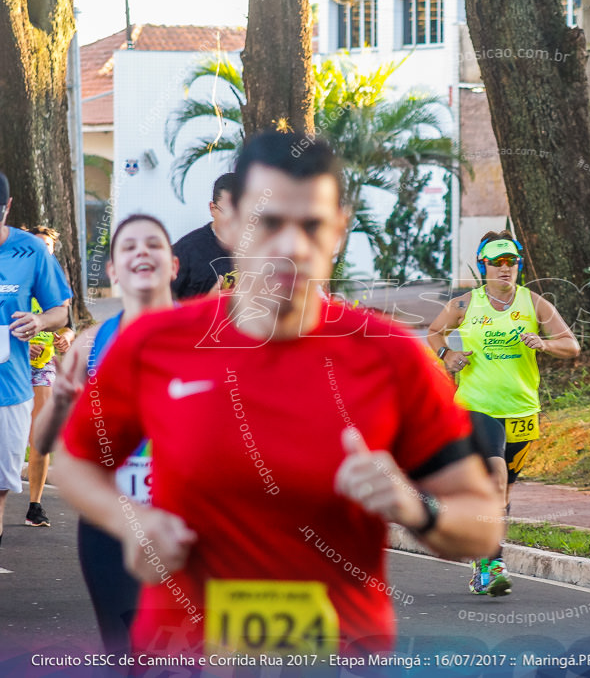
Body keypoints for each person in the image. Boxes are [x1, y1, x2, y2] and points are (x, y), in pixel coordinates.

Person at [54, 132, 503, 658]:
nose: (291, 245)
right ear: (233, 224)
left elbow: (482, 523)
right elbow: (76, 461)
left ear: (338, 229)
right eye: (269, 223)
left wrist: (417, 507)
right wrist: (134, 521)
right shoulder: (158, 343)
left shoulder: (392, 357)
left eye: (312, 225)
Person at [35, 214, 178, 653]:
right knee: (128, 653)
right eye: (127, 246)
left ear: (173, 265)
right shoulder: (90, 344)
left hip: (187, 525)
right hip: (109, 528)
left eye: (152, 244)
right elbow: (42, 443)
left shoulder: (211, 340)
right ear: (113, 270)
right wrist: (59, 402)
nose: (141, 252)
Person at [427, 230, 580, 596]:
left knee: (504, 491)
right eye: (496, 263)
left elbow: (571, 345)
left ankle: (483, 557)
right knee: (495, 476)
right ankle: (492, 562)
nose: (504, 269)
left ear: (518, 266)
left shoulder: (534, 303)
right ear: (484, 266)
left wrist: (544, 342)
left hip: (522, 410)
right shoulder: (465, 305)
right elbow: (434, 332)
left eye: (510, 262)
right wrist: (447, 355)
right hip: (478, 406)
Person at [0, 171, 72, 551]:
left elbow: (65, 317)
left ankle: (35, 503)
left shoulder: (39, 262)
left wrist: (46, 325)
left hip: (26, 376)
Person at [24, 226, 75, 527]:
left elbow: (69, 324)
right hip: (9, 364)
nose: (44, 250)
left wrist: (67, 337)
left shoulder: (56, 283)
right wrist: (21, 343)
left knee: (39, 436)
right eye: (38, 244)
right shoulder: (13, 276)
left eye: (49, 245)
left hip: (43, 367)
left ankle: (35, 505)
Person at [170, 172, 236, 298]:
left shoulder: (259, 247)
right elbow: (165, 306)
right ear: (212, 209)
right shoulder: (186, 250)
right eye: (228, 212)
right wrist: (208, 303)